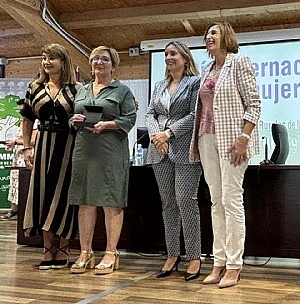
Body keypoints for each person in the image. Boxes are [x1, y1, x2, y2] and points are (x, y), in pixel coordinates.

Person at [189, 22, 261, 288]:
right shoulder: (207, 69)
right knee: (216, 201)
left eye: (214, 33)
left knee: (231, 201)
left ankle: (234, 265)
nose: (209, 36)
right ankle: (218, 262)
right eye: (207, 33)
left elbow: (254, 103)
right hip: (206, 138)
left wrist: (244, 138)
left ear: (226, 37)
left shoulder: (239, 62)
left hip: (232, 141)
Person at [69, 46, 137, 275]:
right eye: (96, 58)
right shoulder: (82, 90)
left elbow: (130, 118)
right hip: (84, 149)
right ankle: (85, 252)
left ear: (113, 65)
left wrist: (106, 124)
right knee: (85, 201)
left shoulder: (122, 90)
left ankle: (111, 252)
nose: (99, 62)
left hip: (110, 150)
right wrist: (74, 119)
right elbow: (73, 117)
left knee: (111, 201)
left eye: (105, 59)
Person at [147, 42, 203, 281]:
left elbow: (195, 115)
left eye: (173, 54)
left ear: (185, 57)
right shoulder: (160, 85)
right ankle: (172, 254)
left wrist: (168, 133)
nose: (169, 57)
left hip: (185, 149)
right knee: (168, 203)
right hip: (159, 150)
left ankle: (193, 256)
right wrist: (156, 137)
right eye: (166, 54)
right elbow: (150, 113)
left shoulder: (195, 83)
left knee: (186, 201)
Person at [21, 44, 80, 270]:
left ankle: (64, 248)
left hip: (69, 146)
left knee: (65, 196)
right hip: (44, 144)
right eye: (44, 58)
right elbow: (27, 120)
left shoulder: (77, 89)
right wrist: (27, 148)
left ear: (63, 61)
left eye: (52, 58)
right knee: (42, 195)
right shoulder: (34, 88)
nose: (47, 62)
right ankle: (48, 249)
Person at [1, 98, 37, 221]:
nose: (20, 109)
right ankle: (15, 208)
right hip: (18, 156)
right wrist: (12, 144)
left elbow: (33, 140)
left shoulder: (35, 122)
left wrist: (16, 142)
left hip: (27, 154)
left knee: (24, 182)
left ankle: (25, 210)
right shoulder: (21, 122)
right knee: (15, 182)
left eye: (22, 107)